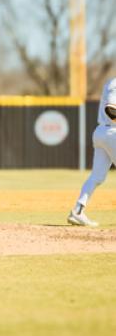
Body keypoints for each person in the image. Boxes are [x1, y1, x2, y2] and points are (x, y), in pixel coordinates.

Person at [68, 77, 116, 227]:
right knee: (96, 177)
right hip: (111, 132)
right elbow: (111, 109)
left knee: (97, 177)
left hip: (103, 133)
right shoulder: (114, 83)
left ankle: (78, 211)